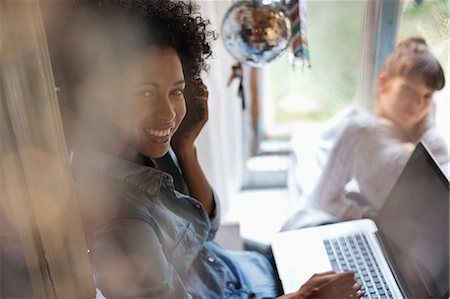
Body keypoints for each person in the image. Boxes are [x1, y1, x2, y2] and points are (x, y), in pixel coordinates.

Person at [52, 0, 365, 298]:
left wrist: (186, 148)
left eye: (176, 91)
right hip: (261, 290)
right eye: (146, 92)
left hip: (246, 272)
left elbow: (205, 229)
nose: (169, 113)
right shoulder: (123, 227)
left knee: (324, 227)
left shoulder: (142, 149)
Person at [282, 36, 448, 230]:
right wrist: (372, 220)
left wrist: (428, 125)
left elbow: (441, 163)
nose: (418, 104)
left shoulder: (424, 126)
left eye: (427, 95)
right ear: (383, 83)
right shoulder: (360, 130)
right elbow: (323, 200)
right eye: (408, 89)